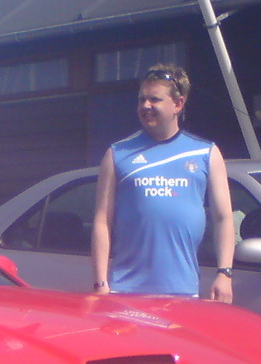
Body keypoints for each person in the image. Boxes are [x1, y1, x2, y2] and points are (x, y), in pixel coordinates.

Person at [91, 64, 234, 302]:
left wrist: (224, 273)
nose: (145, 106)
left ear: (178, 104)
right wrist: (100, 283)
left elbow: (223, 217)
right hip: (125, 291)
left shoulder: (206, 153)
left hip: (182, 291)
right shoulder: (117, 153)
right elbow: (102, 220)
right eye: (142, 99)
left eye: (154, 100)